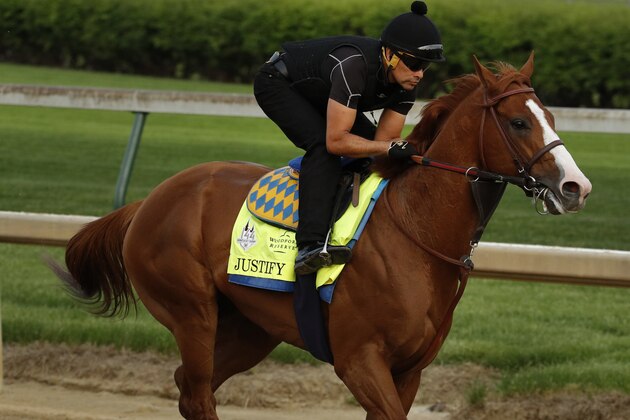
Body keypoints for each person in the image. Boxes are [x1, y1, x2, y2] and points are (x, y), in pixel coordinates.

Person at [254, 1, 445, 275]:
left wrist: (400, 150)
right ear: (389, 54)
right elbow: (336, 141)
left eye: (425, 66)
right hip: (278, 83)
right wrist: (387, 148)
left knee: (370, 156)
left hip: (323, 93)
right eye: (414, 62)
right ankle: (310, 245)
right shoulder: (353, 65)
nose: (419, 74)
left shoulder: (406, 83)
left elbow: (386, 142)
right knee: (323, 146)